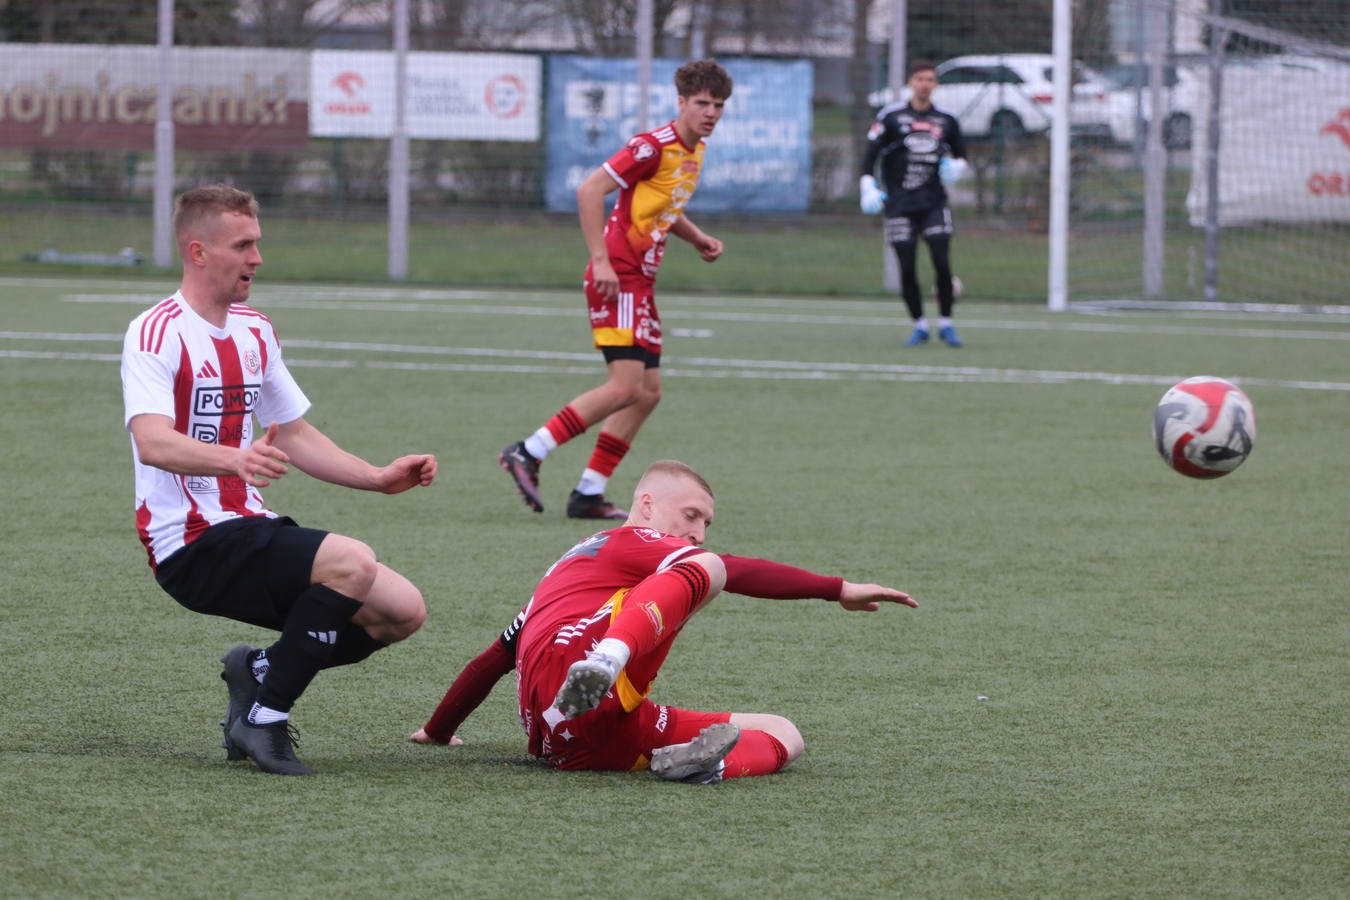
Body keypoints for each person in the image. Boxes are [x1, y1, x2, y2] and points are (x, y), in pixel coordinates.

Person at [121, 184, 438, 776]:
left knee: (402, 611)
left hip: (249, 524)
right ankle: (262, 721)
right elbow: (152, 441)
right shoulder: (156, 331)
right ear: (198, 251)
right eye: (242, 246)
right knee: (352, 563)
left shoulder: (255, 329)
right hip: (188, 541)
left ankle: (259, 670)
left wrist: (377, 477)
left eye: (257, 243)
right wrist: (233, 460)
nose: (257, 258)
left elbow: (291, 433)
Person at [411, 460, 916, 783]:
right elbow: (728, 568)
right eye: (692, 515)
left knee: (785, 734)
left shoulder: (563, 576)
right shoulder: (627, 538)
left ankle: (704, 765)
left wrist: (438, 731)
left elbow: (491, 660)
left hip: (576, 741)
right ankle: (607, 658)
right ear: (647, 505)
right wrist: (837, 589)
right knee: (709, 567)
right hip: (583, 672)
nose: (698, 531)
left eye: (706, 523)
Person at [499, 60, 732, 521]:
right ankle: (529, 450)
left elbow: (664, 206)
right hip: (619, 277)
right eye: (702, 103)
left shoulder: (695, 150)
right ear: (681, 102)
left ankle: (589, 491)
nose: (710, 112)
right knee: (625, 386)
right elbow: (590, 191)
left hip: (640, 282)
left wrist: (697, 237)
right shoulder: (652, 146)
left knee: (647, 393)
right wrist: (601, 260)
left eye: (719, 105)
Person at [860, 59, 969, 348]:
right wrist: (867, 186)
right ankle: (919, 325)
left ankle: (946, 324)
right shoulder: (891, 117)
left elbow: (962, 153)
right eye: (920, 79)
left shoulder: (947, 119)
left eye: (930, 79)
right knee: (907, 267)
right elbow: (870, 155)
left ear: (935, 84)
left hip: (934, 203)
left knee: (942, 262)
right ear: (911, 82)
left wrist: (959, 166)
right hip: (899, 204)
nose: (925, 84)